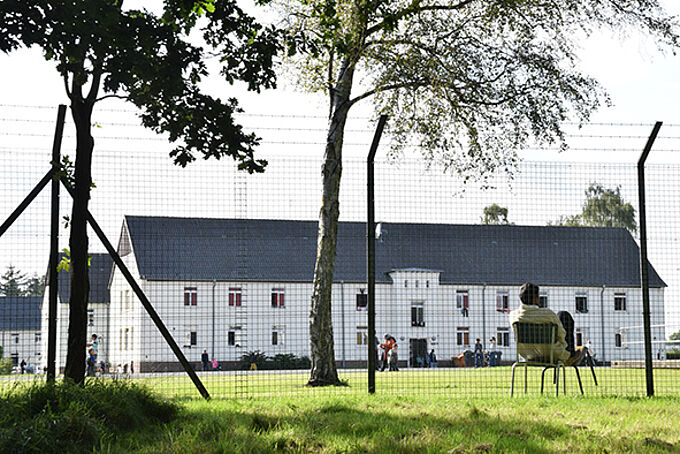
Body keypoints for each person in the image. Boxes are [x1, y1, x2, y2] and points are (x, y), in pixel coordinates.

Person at [509, 282, 586, 366]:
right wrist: (563, 347)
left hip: (528, 355)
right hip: (553, 354)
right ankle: (569, 357)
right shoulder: (548, 314)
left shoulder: (513, 316)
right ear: (535, 298)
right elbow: (562, 334)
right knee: (563, 315)